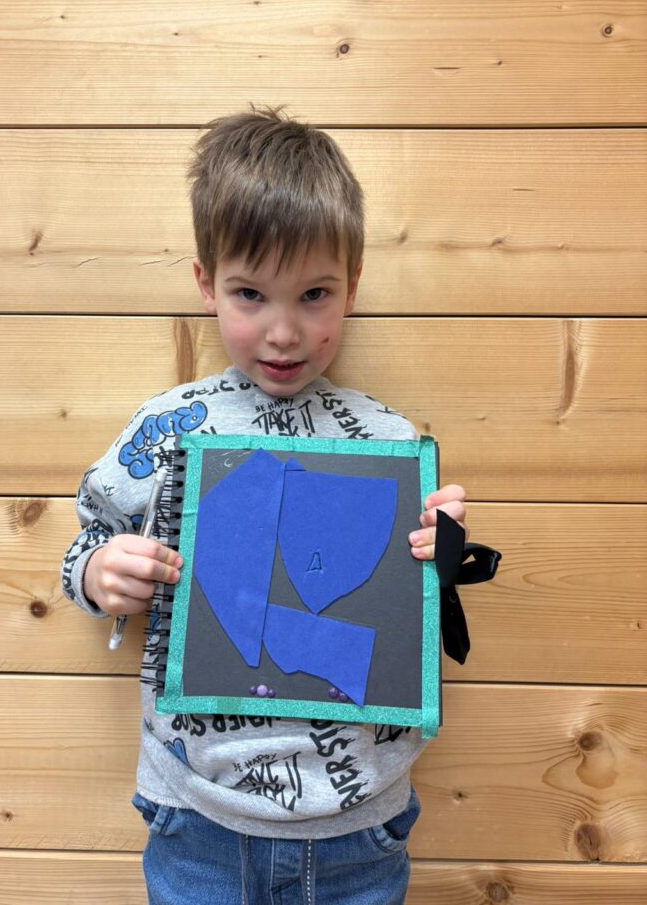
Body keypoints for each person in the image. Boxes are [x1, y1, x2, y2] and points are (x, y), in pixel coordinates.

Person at [60, 103, 470, 904]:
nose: (284, 333)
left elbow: (411, 612)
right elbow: (84, 542)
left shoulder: (387, 440)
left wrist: (444, 560)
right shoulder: (168, 428)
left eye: (314, 295)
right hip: (197, 816)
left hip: (360, 826)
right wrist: (101, 572)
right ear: (206, 285)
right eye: (251, 294)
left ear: (352, 286)